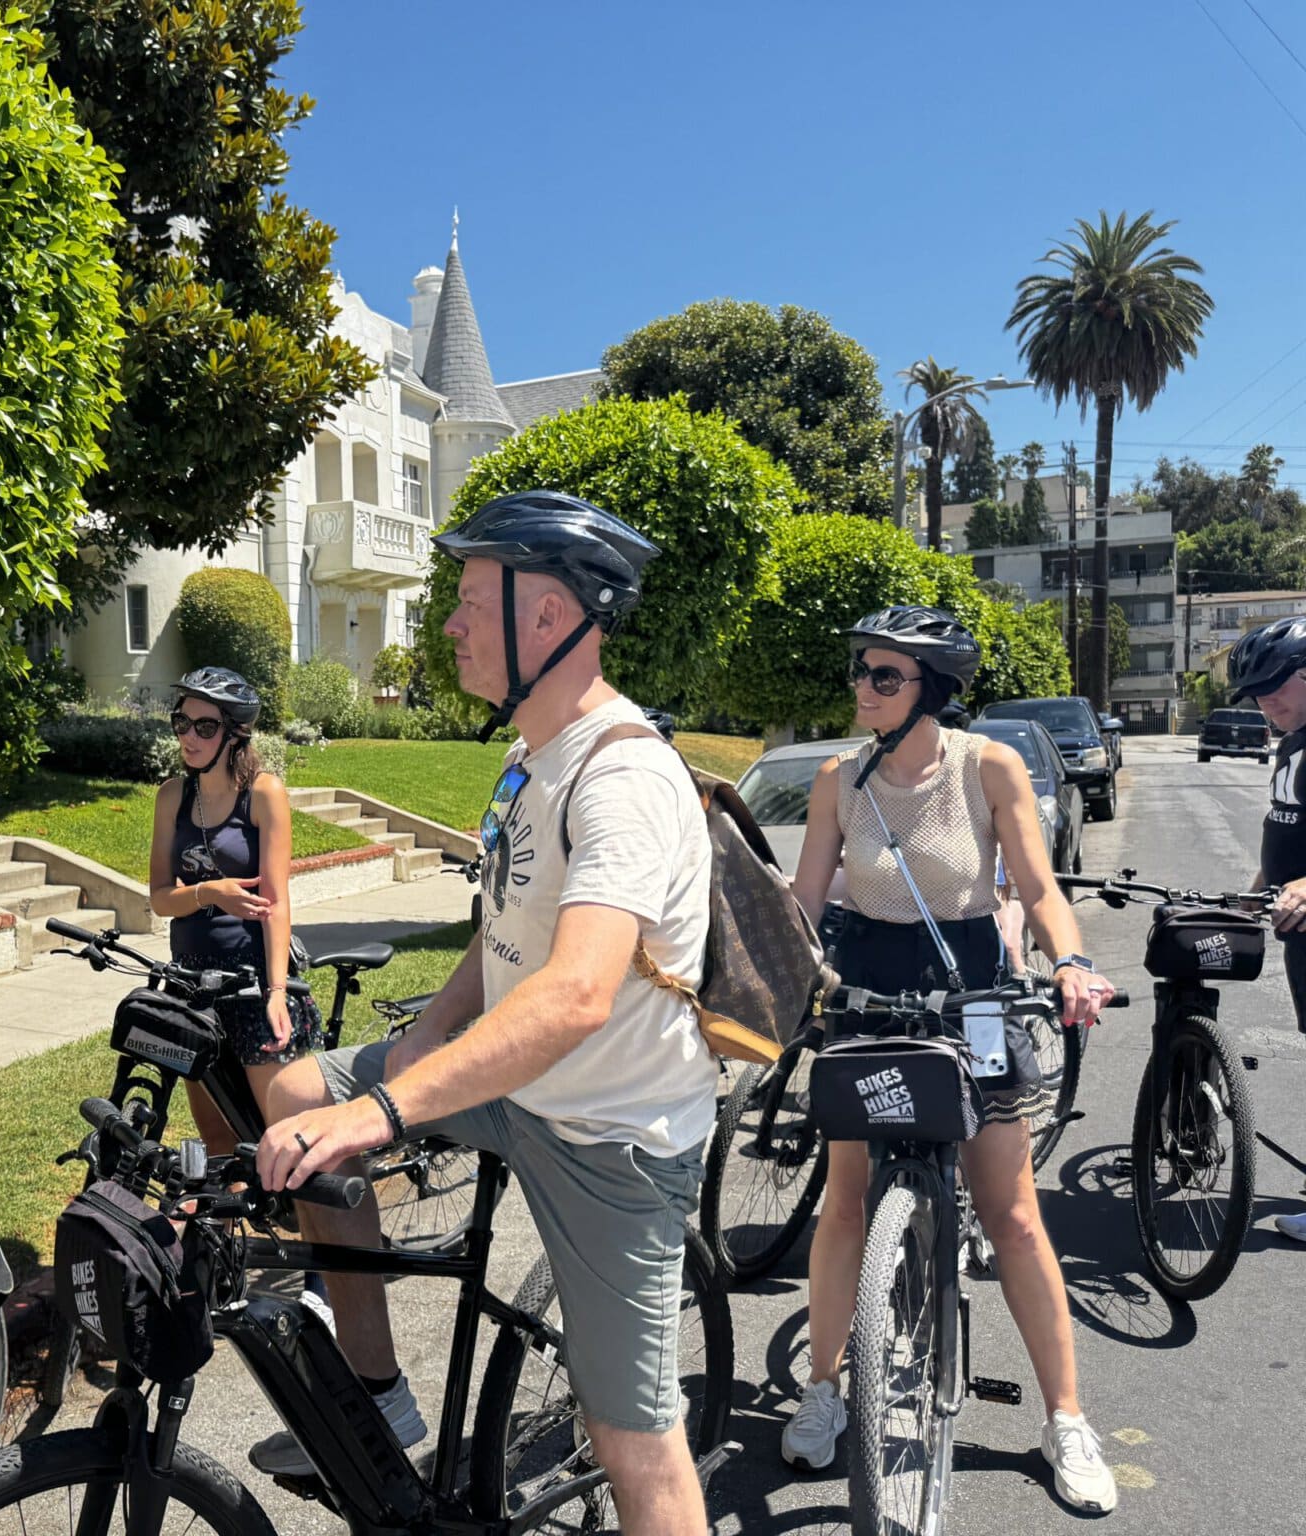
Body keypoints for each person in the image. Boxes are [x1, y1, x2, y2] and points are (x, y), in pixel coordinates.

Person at [254, 490, 716, 1536]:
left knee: (635, 1446)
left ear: (546, 618)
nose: (448, 622)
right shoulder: (527, 761)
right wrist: (411, 1051)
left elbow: (574, 991)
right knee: (289, 1090)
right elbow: (502, 927)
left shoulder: (624, 775)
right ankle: (376, 1387)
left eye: (469, 599)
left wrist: (383, 1113)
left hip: (610, 1137)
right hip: (518, 1090)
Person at [780, 606, 1119, 1515]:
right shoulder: (836, 780)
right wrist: (763, 982)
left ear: (931, 689)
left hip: (972, 993)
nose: (863, 687)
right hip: (868, 995)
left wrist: (1072, 962)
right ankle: (824, 1386)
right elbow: (809, 903)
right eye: (861, 670)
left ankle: (1065, 1419)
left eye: (883, 676)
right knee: (844, 1202)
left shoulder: (988, 765)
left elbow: (1039, 887)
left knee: (1011, 1213)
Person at [148, 667, 319, 1148]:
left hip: (250, 977)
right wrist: (211, 892)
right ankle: (224, 1223)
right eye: (182, 723)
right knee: (220, 1140)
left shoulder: (263, 794)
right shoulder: (172, 797)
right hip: (192, 984)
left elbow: (277, 900)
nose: (190, 736)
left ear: (233, 734)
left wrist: (277, 989)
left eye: (205, 727)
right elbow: (160, 898)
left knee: (286, 1135)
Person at [1222, 614, 1306, 1241]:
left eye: (1277, 683)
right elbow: (1285, 842)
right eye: (1256, 690)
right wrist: (1254, 895)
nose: (1263, 700)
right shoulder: (1291, 744)